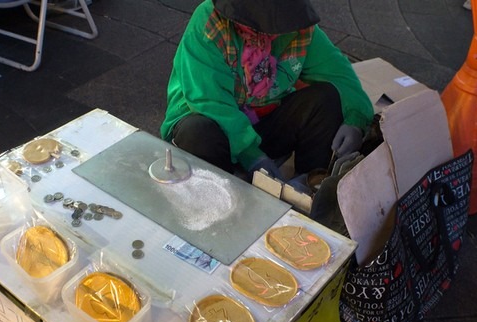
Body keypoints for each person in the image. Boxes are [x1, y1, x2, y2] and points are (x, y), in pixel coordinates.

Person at [160, 0, 374, 186]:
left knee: (325, 98)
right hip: (212, 126)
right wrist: (252, 156)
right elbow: (209, 101)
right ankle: (221, 197)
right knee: (198, 132)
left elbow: (340, 75)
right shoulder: (208, 24)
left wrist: (356, 120)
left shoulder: (298, 29)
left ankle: (308, 186)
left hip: (261, 124)